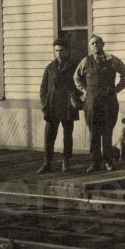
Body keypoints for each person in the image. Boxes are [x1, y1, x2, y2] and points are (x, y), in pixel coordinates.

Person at [73, 34, 125, 172]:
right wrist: (85, 90)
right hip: (91, 102)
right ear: (90, 46)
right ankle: (95, 162)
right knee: (94, 132)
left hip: (109, 101)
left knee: (107, 132)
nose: (95, 45)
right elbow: (76, 77)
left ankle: (108, 161)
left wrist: (117, 88)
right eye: (92, 43)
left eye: (97, 43)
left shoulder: (112, 60)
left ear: (103, 44)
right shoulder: (85, 61)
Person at [37, 37, 79, 174]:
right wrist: (45, 103)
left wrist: (76, 98)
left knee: (67, 135)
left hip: (68, 106)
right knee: (49, 135)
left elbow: (80, 84)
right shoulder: (50, 67)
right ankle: (47, 162)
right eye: (56, 51)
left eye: (61, 50)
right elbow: (43, 88)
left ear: (66, 51)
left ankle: (66, 162)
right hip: (52, 106)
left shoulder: (75, 66)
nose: (59, 53)